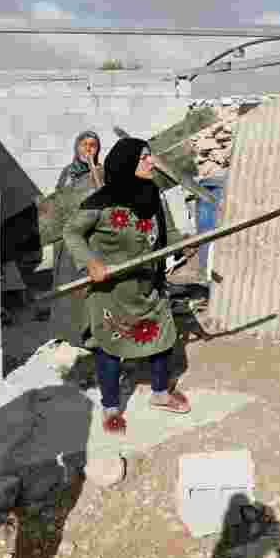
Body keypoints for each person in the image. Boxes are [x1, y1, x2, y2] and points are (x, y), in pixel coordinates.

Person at [62, 137, 190, 434]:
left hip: (148, 285)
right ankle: (110, 407)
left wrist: (181, 244)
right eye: (144, 157)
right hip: (112, 291)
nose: (151, 162)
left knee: (163, 338)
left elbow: (165, 228)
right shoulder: (100, 204)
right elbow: (72, 233)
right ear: (127, 163)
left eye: (151, 156)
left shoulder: (151, 194)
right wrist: (91, 263)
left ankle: (160, 393)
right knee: (109, 347)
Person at [49, 130, 103, 347]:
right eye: (84, 145)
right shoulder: (68, 173)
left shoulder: (100, 172)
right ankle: (65, 332)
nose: (89, 149)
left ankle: (88, 334)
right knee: (67, 285)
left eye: (93, 145)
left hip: (89, 238)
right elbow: (58, 202)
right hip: (67, 239)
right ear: (76, 147)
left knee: (87, 287)